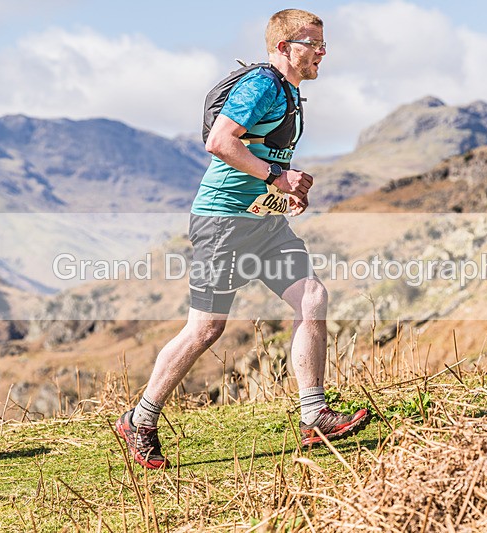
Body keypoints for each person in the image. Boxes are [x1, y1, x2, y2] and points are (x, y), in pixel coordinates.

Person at [115, 8, 369, 469]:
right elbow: (219, 142)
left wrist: (284, 190)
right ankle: (140, 419)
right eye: (313, 44)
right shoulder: (263, 84)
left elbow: (262, 154)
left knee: (312, 298)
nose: (322, 53)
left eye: (322, 44)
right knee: (207, 328)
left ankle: (314, 416)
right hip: (222, 221)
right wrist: (275, 176)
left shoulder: (289, 91)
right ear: (283, 47)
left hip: (263, 221)